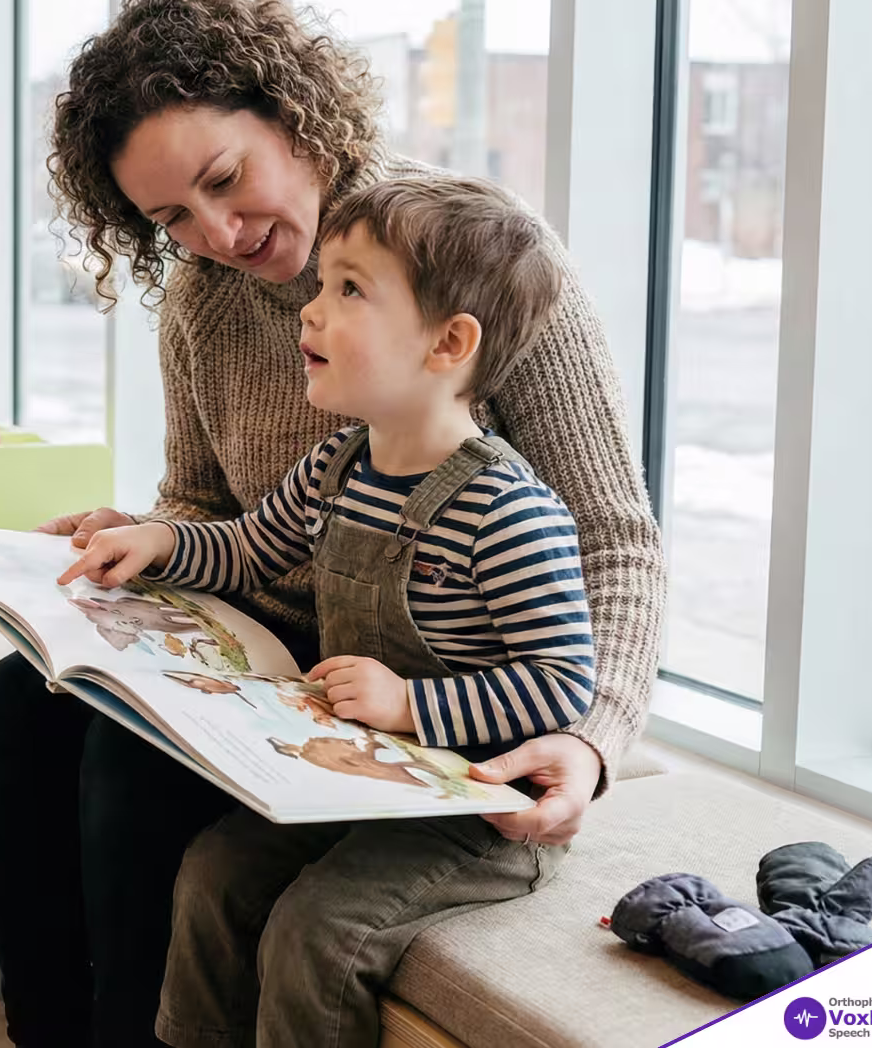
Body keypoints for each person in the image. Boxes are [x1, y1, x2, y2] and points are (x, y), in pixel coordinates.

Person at [0, 0, 664, 1047]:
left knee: (129, 769)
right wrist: (145, 542)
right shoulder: (201, 299)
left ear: (295, 115)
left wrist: (593, 738)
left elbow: (616, 541)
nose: (218, 233)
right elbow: (208, 502)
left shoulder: (467, 259)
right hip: (278, 643)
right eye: (171, 219)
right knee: (10, 712)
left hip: (433, 673)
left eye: (224, 180)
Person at [59, 175, 591, 1044]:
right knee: (212, 875)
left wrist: (412, 703)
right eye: (322, 285)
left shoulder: (509, 512)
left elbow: (561, 683)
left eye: (349, 291)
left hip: (474, 815)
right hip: (360, 775)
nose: (310, 309)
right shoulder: (338, 465)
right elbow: (248, 548)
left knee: (318, 932)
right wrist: (157, 542)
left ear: (448, 342)